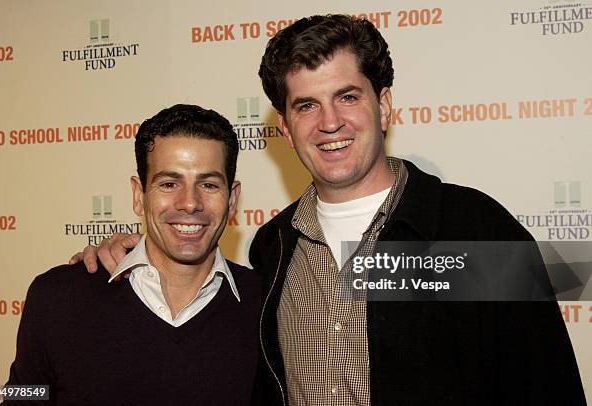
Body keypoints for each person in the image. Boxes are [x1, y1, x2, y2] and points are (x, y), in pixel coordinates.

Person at [73, 15, 586, 406]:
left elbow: (547, 384)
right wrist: (131, 251)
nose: (330, 122)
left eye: (347, 96)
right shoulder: (274, 248)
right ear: (285, 126)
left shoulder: (472, 228)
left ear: (383, 106)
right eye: (306, 105)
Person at [5, 104, 261, 405]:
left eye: (208, 184)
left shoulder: (267, 305)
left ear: (232, 200)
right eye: (169, 183)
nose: (190, 203)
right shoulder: (57, 297)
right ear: (139, 196)